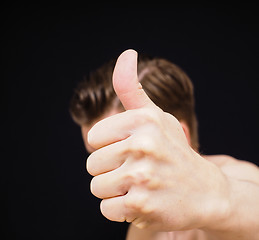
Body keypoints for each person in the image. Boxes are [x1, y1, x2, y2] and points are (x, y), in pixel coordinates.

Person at [69, 49, 259, 240]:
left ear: (180, 136)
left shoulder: (242, 178)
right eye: (96, 155)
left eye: (122, 149)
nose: (110, 171)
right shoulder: (144, 224)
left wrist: (217, 195)